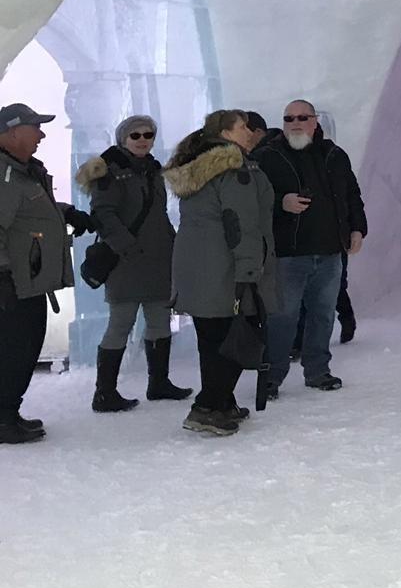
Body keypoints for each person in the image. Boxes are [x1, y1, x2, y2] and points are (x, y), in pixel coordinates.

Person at [167, 109, 277, 436]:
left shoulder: (198, 167)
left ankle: (222, 403)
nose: (249, 131)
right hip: (224, 269)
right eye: (242, 126)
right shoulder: (234, 169)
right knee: (233, 338)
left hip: (197, 267)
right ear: (226, 133)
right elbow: (241, 223)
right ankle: (206, 407)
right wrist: (248, 270)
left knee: (213, 339)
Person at [75, 115, 191, 412]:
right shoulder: (109, 171)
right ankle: (105, 393)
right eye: (135, 135)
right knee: (121, 323)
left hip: (157, 258)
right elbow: (103, 213)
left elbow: (159, 213)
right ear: (123, 138)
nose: (142, 140)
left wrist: (172, 243)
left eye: (148, 134)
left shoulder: (152, 169)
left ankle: (159, 382)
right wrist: (126, 246)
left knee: (159, 320)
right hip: (125, 261)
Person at [254, 99, 366, 396]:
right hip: (288, 254)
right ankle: (272, 376)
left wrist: (357, 229)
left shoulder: (334, 155)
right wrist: (282, 203)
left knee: (323, 313)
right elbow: (253, 200)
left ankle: (318, 371)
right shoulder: (267, 156)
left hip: (330, 251)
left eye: (302, 117)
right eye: (289, 118)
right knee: (283, 317)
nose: (295, 123)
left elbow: (351, 194)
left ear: (315, 121)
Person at [0, 103, 80, 444]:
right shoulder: (4, 174)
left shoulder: (24, 171)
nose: (42, 134)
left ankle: (8, 413)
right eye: (35, 127)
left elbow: (29, 214)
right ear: (13, 132)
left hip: (27, 280)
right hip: (12, 281)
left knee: (24, 348)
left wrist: (66, 213)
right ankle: (3, 420)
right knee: (15, 350)